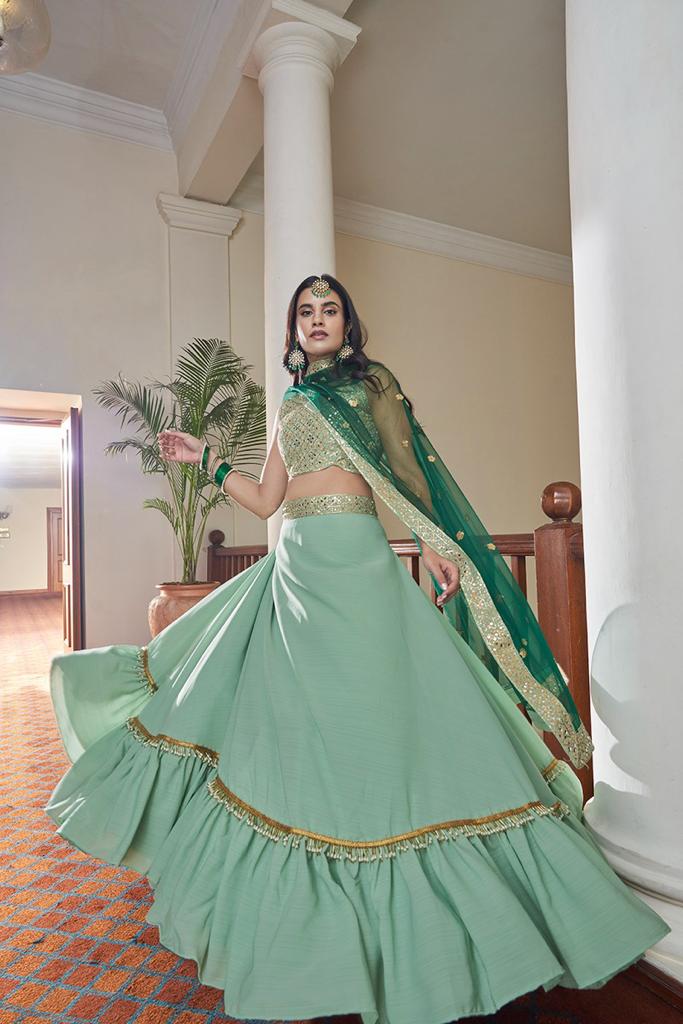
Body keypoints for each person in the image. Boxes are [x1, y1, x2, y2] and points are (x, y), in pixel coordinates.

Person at [45, 273, 670, 1024]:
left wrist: (434, 545)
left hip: (360, 565)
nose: (317, 320)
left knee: (382, 710)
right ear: (293, 330)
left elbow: (407, 473)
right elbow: (268, 500)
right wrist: (205, 458)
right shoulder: (292, 401)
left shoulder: (372, 385)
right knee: (303, 726)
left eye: (329, 309)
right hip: (297, 572)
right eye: (305, 312)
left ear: (348, 324)